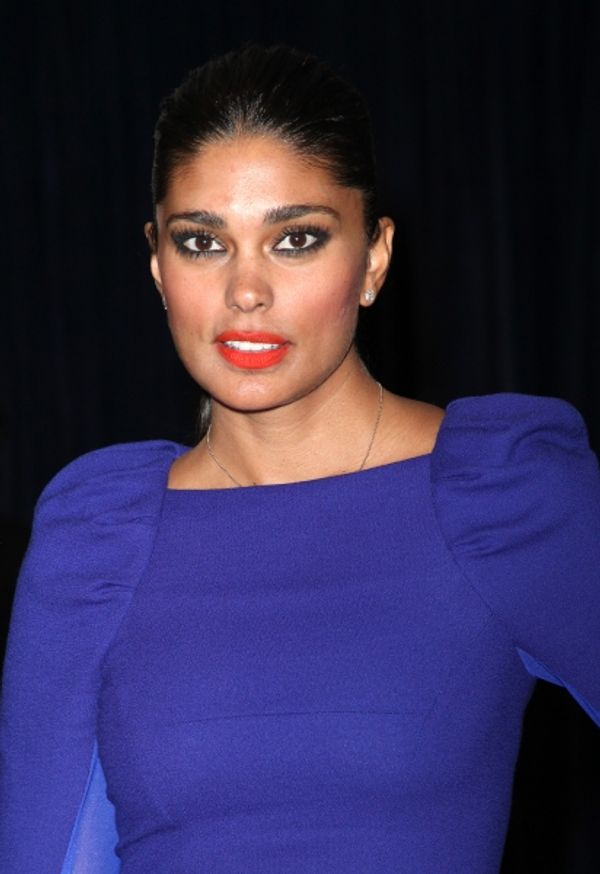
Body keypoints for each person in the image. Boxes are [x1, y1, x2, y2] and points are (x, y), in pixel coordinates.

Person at [1, 44, 599, 874]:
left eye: (296, 239)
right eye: (202, 242)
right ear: (158, 266)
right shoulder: (96, 539)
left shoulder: (503, 495)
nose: (246, 290)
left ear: (374, 258)